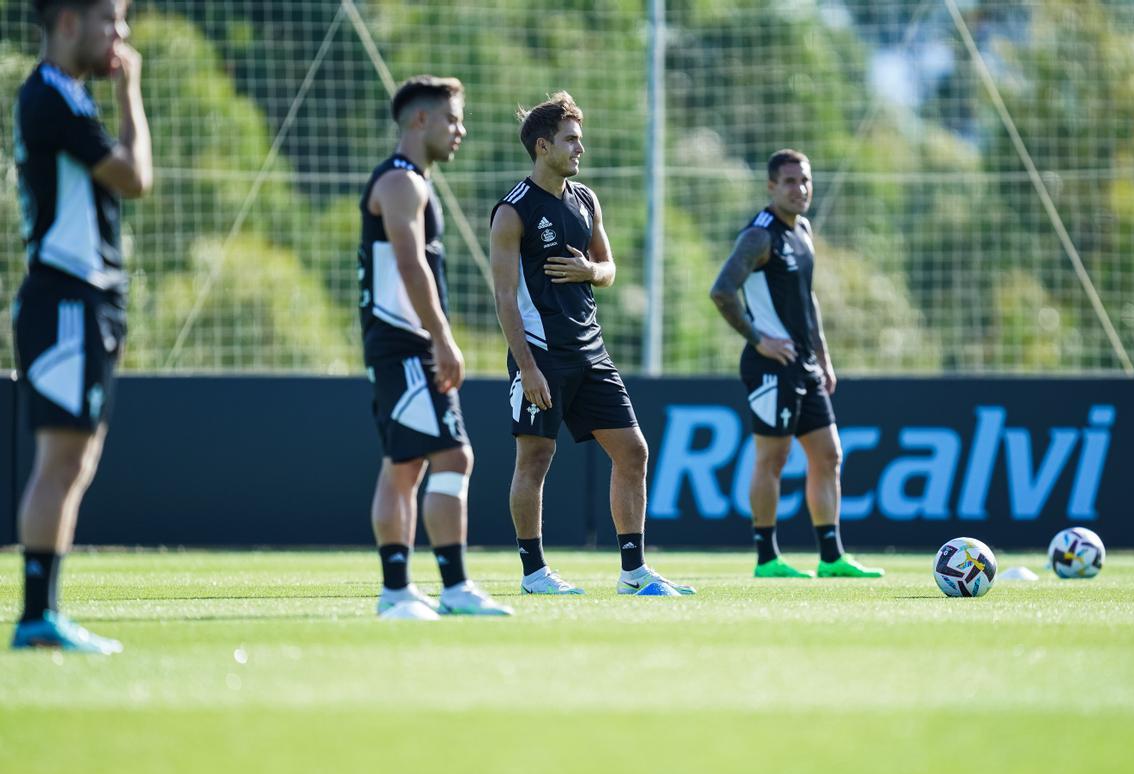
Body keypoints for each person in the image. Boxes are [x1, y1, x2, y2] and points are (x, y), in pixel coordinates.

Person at [489, 91, 693, 597]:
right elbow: (504, 298)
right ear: (543, 146)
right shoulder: (512, 211)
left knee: (634, 452)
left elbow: (609, 267)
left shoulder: (586, 200)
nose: (581, 149)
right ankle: (535, 574)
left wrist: (590, 270)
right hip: (541, 354)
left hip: (591, 350)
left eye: (581, 139)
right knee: (534, 460)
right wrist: (527, 367)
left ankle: (633, 573)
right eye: (571, 140)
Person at [10, 0, 151, 653]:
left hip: (86, 301)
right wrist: (131, 92)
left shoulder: (64, 94)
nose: (120, 37)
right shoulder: (51, 97)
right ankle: (37, 616)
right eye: (111, 22)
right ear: (69, 22)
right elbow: (134, 176)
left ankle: (43, 614)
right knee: (61, 459)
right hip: (65, 297)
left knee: (75, 459)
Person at [358, 75, 512, 619]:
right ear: (420, 120)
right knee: (452, 455)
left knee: (405, 466)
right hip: (404, 345)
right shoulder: (402, 183)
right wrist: (442, 338)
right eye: (452, 119)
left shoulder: (409, 181)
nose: (460, 130)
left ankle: (401, 590)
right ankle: (441, 589)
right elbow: (408, 263)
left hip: (399, 345)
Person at [709, 149, 883, 580]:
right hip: (770, 365)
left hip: (804, 364)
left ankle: (831, 558)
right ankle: (767, 559)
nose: (799, 189)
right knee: (773, 458)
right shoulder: (758, 236)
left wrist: (823, 356)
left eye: (804, 180)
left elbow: (808, 300)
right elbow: (722, 291)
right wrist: (758, 340)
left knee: (828, 455)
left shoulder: (802, 230)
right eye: (789, 181)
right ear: (771, 187)